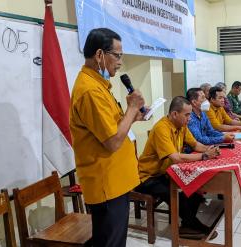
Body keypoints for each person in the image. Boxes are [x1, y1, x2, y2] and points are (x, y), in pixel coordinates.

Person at [69, 28, 146, 246]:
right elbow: (112, 142)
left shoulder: (99, 86)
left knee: (110, 240)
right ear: (100, 55)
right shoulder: (91, 91)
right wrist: (131, 108)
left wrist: (133, 117)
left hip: (115, 180)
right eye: (118, 55)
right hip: (106, 184)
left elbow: (112, 127)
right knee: (109, 242)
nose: (121, 62)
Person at [136, 96, 220, 240]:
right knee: (176, 195)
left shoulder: (182, 126)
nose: (190, 118)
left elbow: (195, 145)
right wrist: (204, 156)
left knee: (194, 191)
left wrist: (209, 149)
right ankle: (192, 226)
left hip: (164, 173)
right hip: (147, 177)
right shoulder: (162, 128)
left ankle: (187, 225)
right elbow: (176, 158)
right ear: (175, 114)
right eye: (187, 115)